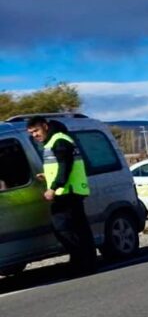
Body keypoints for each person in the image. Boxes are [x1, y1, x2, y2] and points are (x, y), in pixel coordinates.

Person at [26, 117, 97, 275]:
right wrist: (47, 176)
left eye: (36, 131)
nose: (35, 135)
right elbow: (60, 166)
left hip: (67, 192)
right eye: (31, 133)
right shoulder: (56, 140)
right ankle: (86, 264)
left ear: (45, 126)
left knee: (64, 229)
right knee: (79, 229)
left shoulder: (59, 141)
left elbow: (65, 167)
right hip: (70, 191)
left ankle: (81, 264)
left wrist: (53, 188)